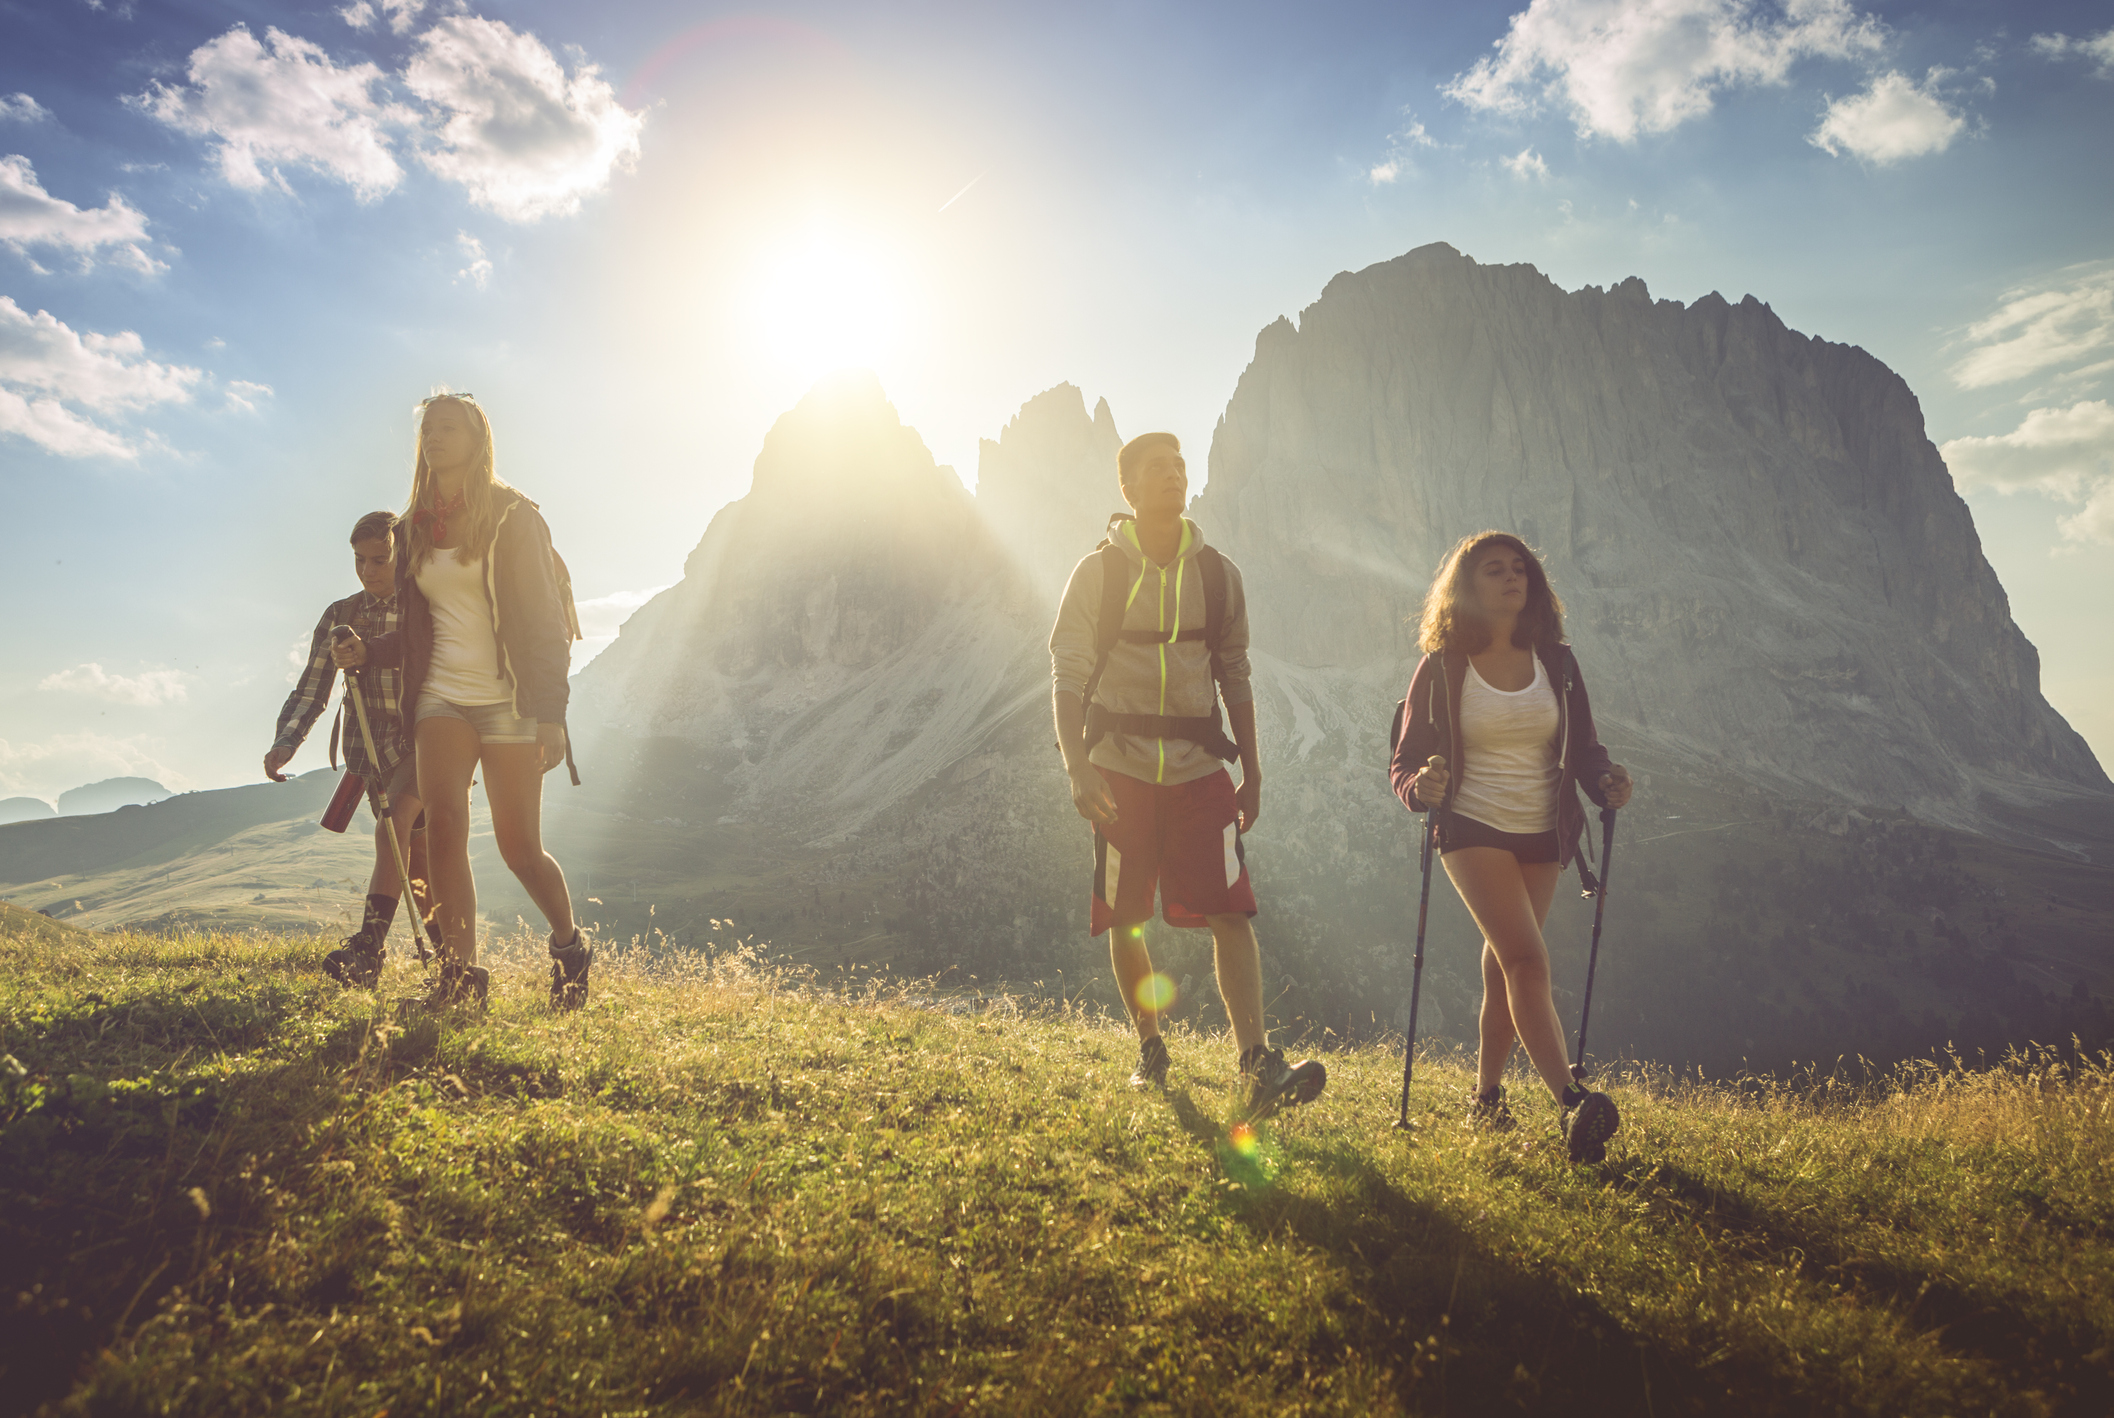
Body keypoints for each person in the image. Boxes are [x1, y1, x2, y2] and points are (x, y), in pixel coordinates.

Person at [1050, 430, 1324, 1118]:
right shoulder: (1097, 574)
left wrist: (1252, 772)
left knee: (1231, 907)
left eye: (1179, 465)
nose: (1174, 475)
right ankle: (1150, 1047)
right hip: (1119, 769)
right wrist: (1077, 766)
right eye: (1157, 468)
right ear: (1129, 489)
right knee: (1127, 916)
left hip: (1200, 770)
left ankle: (1257, 1062)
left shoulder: (1218, 575)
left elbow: (1236, 674)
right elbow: (1067, 675)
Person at [331, 391, 587, 1011]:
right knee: (442, 825)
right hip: (440, 696)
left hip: (510, 700)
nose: (435, 437)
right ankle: (458, 978)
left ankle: (570, 946)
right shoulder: (412, 527)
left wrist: (551, 714)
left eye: (449, 427)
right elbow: (419, 629)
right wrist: (371, 651)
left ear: (478, 439)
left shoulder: (513, 516)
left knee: (519, 849)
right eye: (428, 428)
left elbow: (544, 623)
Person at [1389, 531, 1634, 1163]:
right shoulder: (1443, 665)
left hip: (1544, 833)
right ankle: (1570, 1101)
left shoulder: (1558, 662)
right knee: (1527, 960)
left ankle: (1487, 1098)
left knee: (1505, 966)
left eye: (1519, 568)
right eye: (1494, 570)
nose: (1511, 578)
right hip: (1472, 828)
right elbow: (1405, 761)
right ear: (1467, 588)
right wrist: (1420, 789)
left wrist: (1606, 782)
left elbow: (1584, 748)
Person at [268, 509, 436, 987]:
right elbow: (313, 685)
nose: (368, 570)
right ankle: (450, 961)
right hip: (368, 748)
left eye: (380, 559)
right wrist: (287, 740)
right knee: (415, 857)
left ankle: (367, 951)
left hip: (426, 738)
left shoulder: (425, 605)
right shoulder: (340, 615)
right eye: (360, 560)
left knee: (392, 827)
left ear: (403, 556)